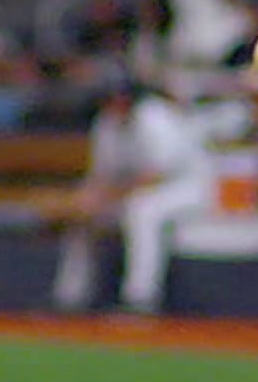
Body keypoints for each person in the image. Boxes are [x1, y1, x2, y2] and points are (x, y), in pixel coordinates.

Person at [52, 73, 214, 313]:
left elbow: (156, 174)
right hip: (135, 191)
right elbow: (101, 175)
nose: (115, 104)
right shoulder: (107, 122)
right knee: (84, 220)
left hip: (187, 188)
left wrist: (110, 196)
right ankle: (69, 298)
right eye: (110, 99)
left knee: (142, 212)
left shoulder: (155, 118)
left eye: (120, 98)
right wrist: (87, 200)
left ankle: (140, 297)